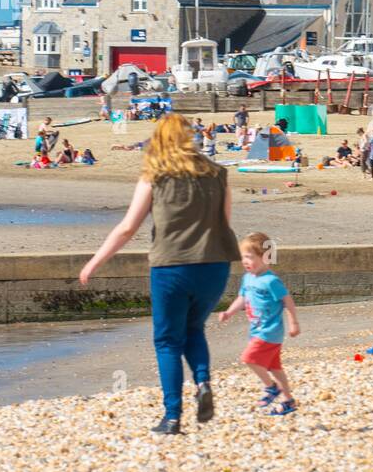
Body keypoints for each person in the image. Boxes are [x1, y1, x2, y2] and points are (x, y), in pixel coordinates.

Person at [80, 114, 240, 436]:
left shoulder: (155, 176)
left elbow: (128, 228)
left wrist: (95, 261)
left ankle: (172, 417)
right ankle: (203, 381)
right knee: (194, 328)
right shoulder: (219, 174)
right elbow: (225, 223)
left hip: (172, 267)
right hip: (214, 266)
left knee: (167, 340)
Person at [219, 232, 301, 416]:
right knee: (275, 368)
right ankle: (288, 400)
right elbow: (242, 298)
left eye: (250, 257)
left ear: (265, 257)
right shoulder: (248, 278)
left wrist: (293, 322)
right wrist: (229, 312)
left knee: (248, 358)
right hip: (257, 330)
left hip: (270, 332)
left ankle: (271, 387)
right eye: (243, 257)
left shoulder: (271, 281)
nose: (245, 261)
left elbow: (287, 300)